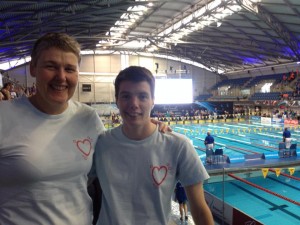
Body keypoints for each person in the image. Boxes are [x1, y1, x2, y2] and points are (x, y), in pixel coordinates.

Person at [0, 33, 170, 225]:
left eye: (69, 69)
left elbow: (119, 150)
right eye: (51, 66)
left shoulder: (88, 117)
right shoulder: (4, 116)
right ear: (33, 68)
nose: (61, 77)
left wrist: (146, 125)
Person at [91, 66, 214, 225]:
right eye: (126, 96)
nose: (134, 104)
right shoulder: (101, 143)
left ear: (153, 100)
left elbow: (199, 209)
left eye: (142, 96)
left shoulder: (179, 146)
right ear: (117, 100)